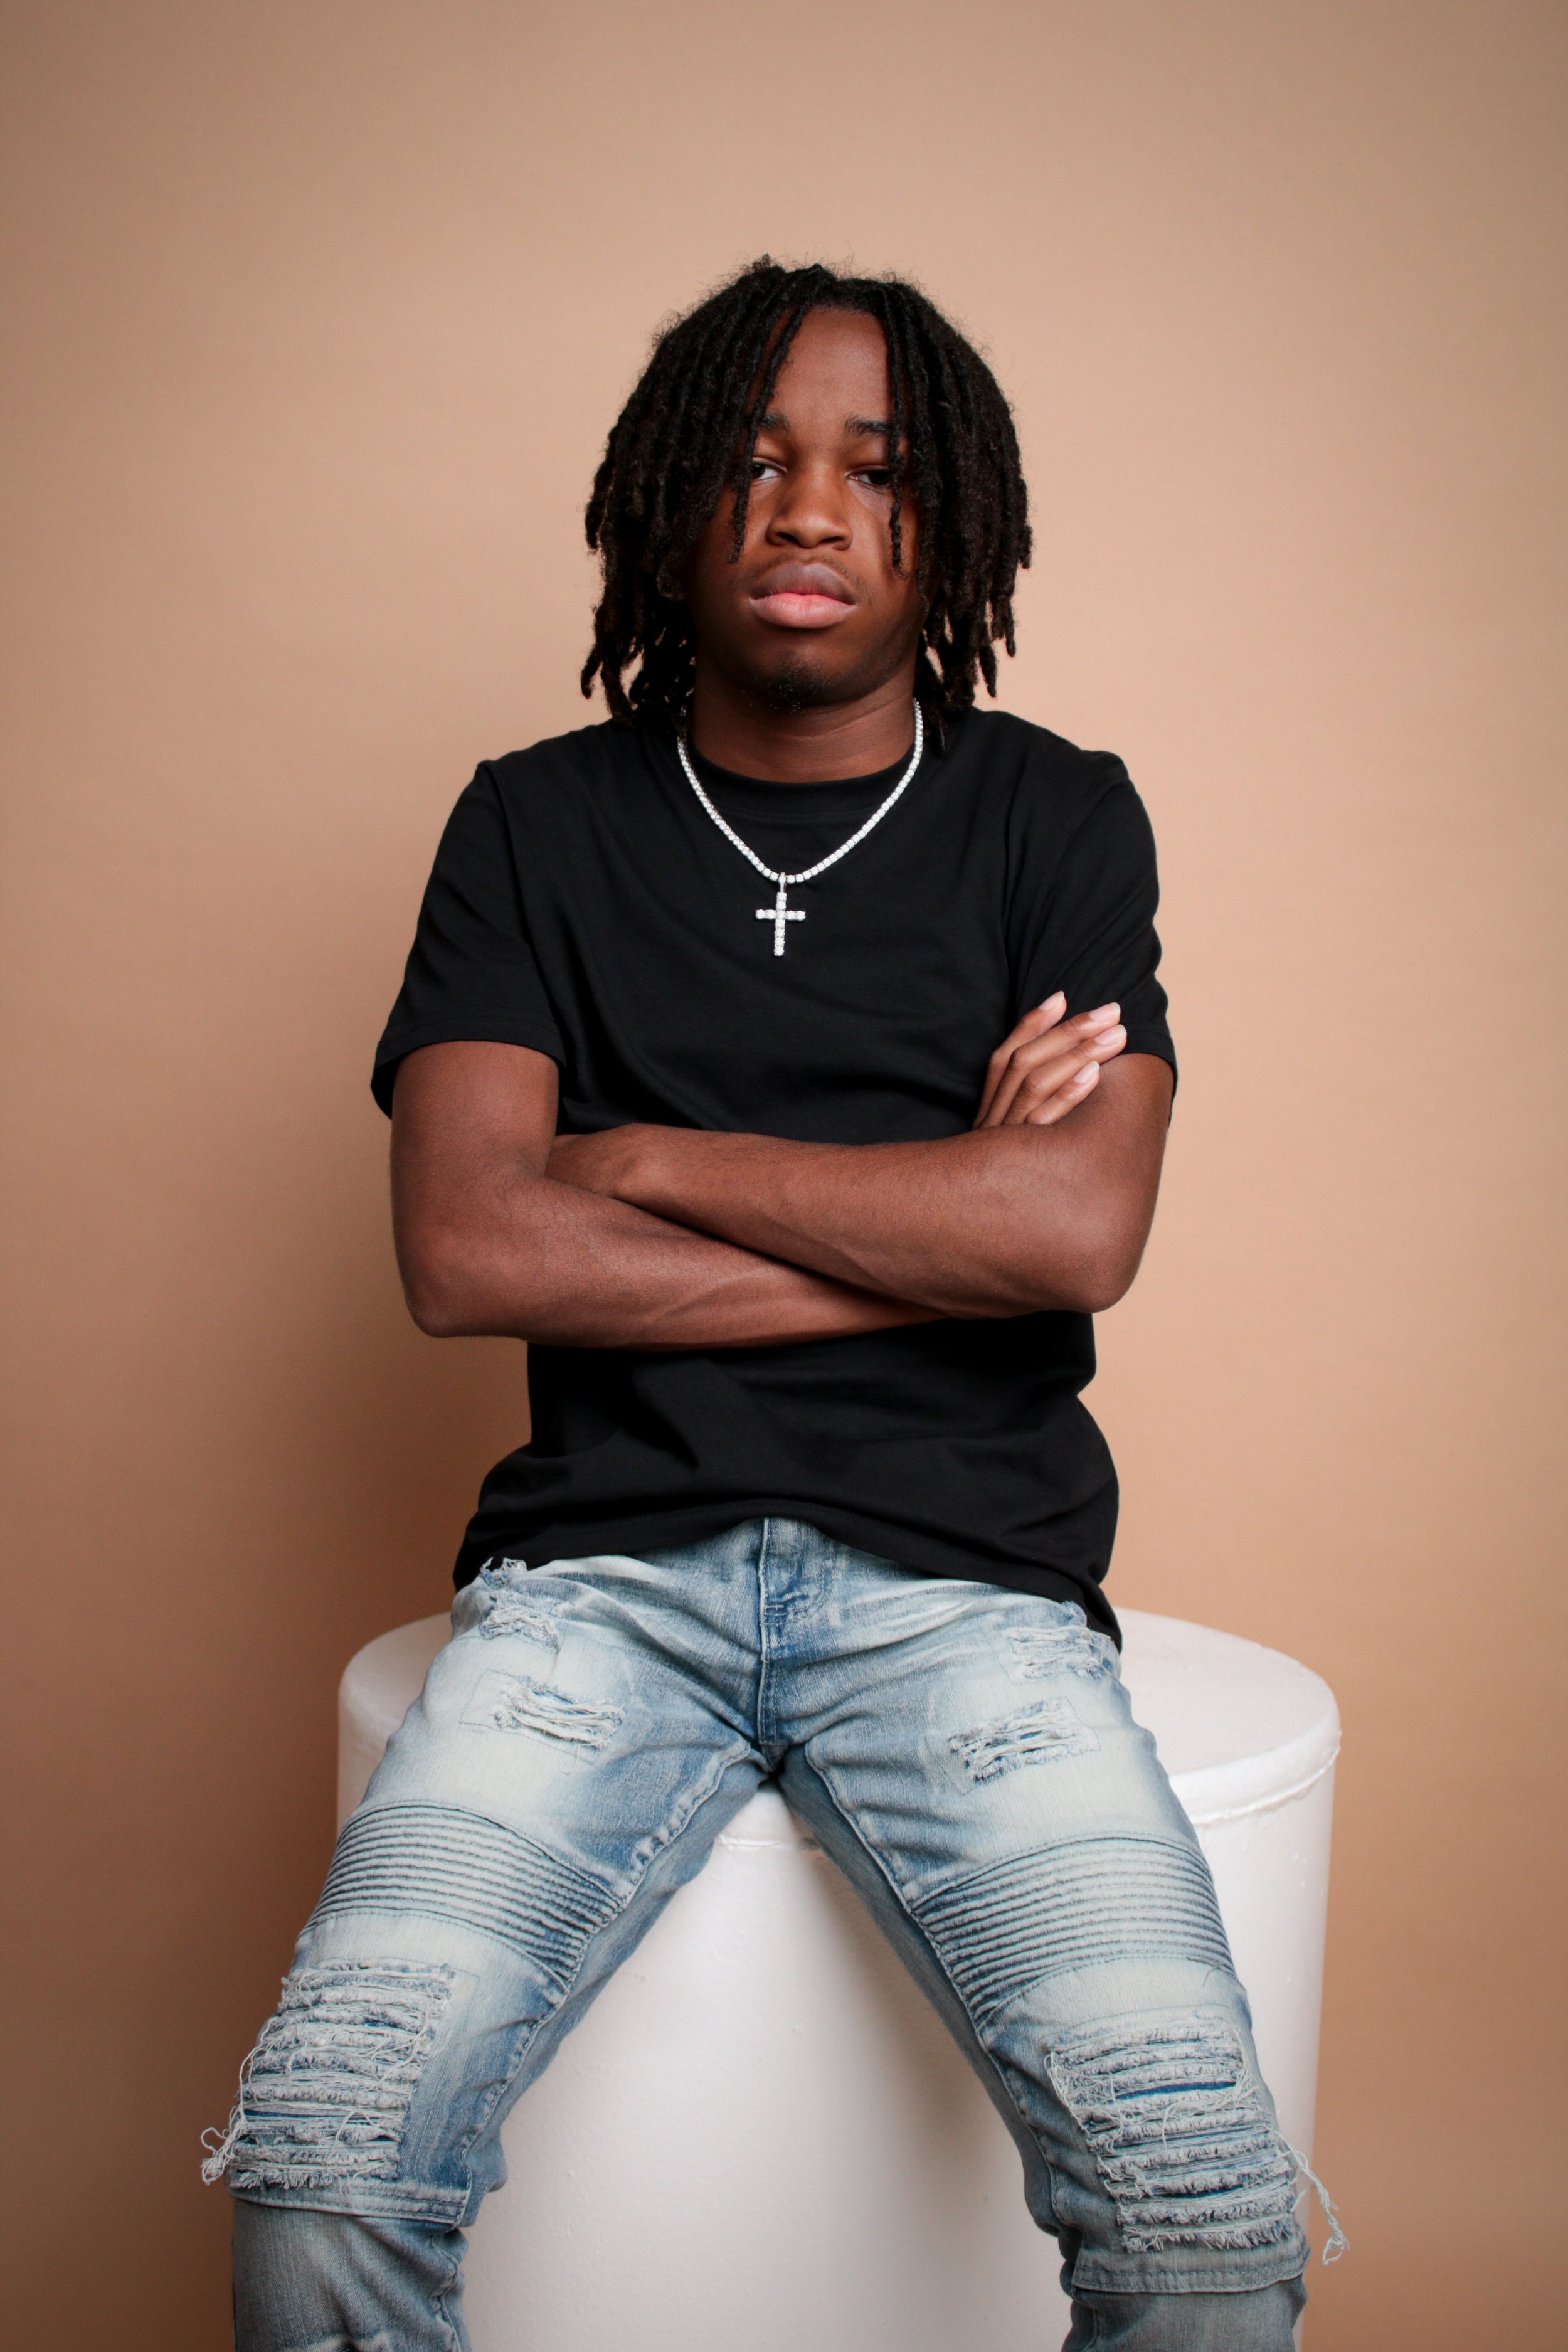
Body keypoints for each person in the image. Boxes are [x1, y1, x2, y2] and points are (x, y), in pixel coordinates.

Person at [206, 258, 1313, 2349]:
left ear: (949, 528)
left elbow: (1075, 1239)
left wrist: (639, 1155)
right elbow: (468, 1253)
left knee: (1200, 2235)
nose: (806, 509)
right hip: (594, 1588)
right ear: (662, 509)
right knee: (322, 2174)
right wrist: (937, 1232)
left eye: (876, 472)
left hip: (964, 1590)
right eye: (750, 459)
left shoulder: (1049, 814)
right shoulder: (534, 823)